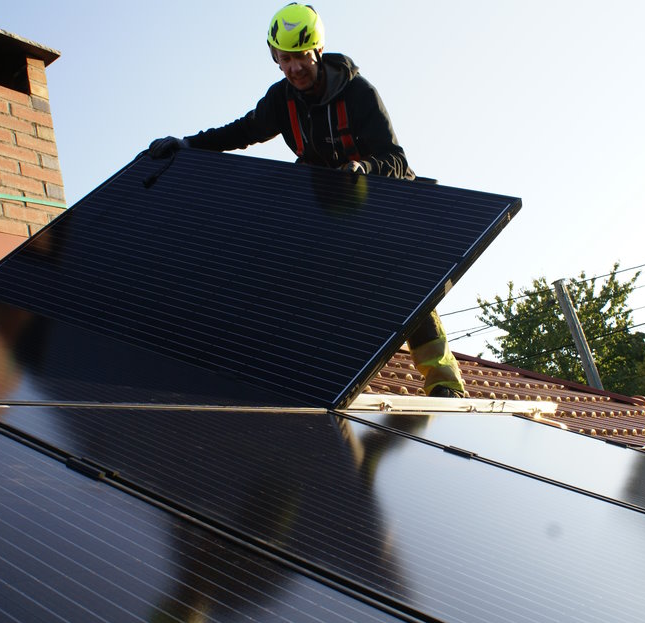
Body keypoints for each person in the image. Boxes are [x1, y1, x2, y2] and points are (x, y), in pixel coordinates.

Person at [149, 3, 466, 398]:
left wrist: (362, 169)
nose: (294, 68)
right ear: (275, 58)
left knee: (405, 285)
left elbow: (397, 161)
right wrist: (188, 144)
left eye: (301, 56)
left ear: (317, 51)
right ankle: (314, 373)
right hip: (329, 213)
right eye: (285, 59)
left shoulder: (359, 93)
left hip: (381, 207)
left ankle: (443, 381)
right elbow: (241, 131)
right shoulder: (281, 101)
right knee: (303, 278)